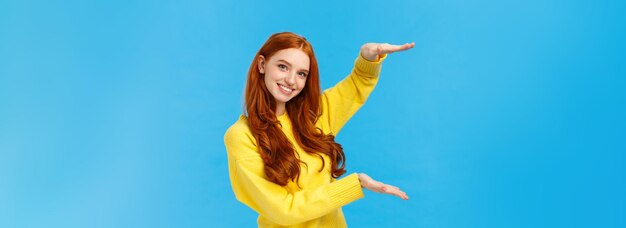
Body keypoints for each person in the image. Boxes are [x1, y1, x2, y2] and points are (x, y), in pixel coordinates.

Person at [224, 32, 414, 227]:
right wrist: (355, 184)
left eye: (301, 74)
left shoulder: (313, 116)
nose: (291, 80)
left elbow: (358, 83)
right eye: (283, 67)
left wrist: (368, 56)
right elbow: (284, 209)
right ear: (262, 65)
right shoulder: (241, 136)